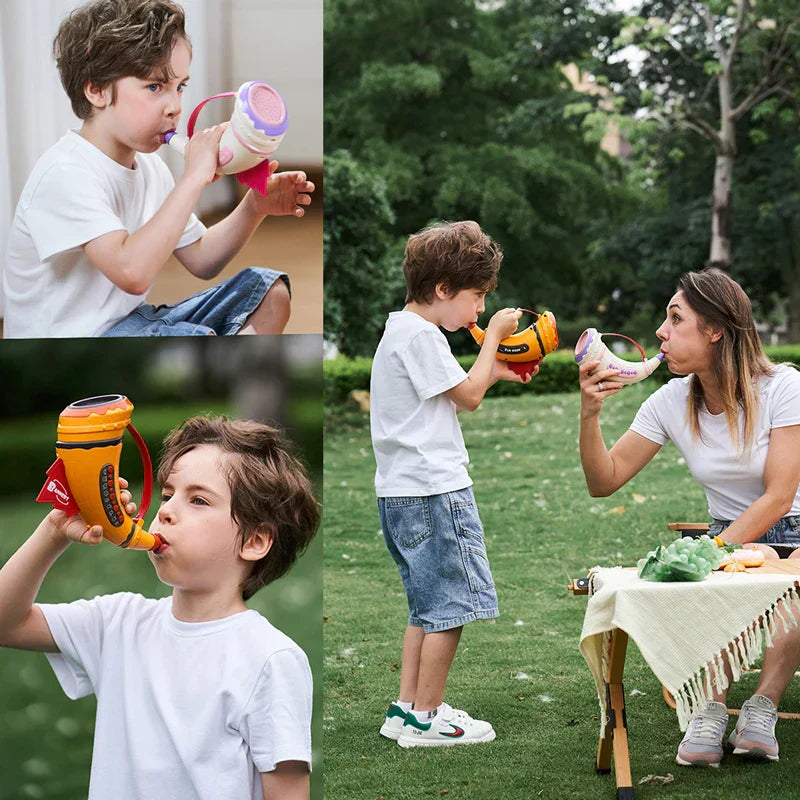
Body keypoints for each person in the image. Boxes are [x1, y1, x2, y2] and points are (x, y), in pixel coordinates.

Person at [0, 415, 321, 799]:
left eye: (198, 499)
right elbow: (7, 623)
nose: (166, 511)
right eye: (168, 494)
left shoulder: (271, 658)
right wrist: (55, 530)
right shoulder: (117, 623)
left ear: (254, 541)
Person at [578, 267, 800, 767]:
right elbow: (603, 481)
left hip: (788, 526)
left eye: (675, 319)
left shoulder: (784, 386)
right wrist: (589, 415)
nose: (661, 331)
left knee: (792, 578)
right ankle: (710, 709)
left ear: (716, 329)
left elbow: (781, 496)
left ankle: (762, 706)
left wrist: (710, 554)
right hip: (729, 535)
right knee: (720, 581)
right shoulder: (669, 401)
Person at [4, 0, 315, 337]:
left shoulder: (151, 169)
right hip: (75, 344)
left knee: (270, 293)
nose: (175, 107)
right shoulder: (66, 174)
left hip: (134, 322)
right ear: (96, 90)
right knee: (195, 340)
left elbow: (201, 259)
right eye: (155, 87)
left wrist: (255, 206)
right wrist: (193, 179)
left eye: (179, 86)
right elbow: (132, 273)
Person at [370, 220, 533, 747]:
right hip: (434, 492)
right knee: (449, 608)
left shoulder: (401, 330)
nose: (480, 310)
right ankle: (429, 717)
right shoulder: (423, 335)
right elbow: (467, 397)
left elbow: (453, 389)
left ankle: (406, 709)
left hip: (400, 493)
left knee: (425, 604)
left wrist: (497, 369)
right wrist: (498, 343)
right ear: (443, 290)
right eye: (477, 296)